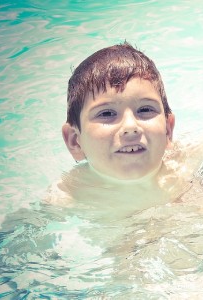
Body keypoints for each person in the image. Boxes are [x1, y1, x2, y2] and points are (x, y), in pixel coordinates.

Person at [51, 42, 188, 212]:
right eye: (107, 113)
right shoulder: (68, 195)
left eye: (145, 109)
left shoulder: (187, 164)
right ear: (75, 141)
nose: (131, 126)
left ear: (168, 129)